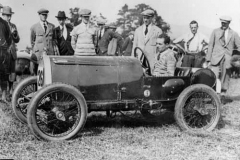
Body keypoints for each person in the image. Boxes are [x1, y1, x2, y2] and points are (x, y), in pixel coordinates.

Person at [207, 16, 240, 95]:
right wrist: (208, 59)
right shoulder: (215, 31)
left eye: (225, 23)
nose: (223, 24)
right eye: (222, 23)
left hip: (227, 59)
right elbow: (210, 45)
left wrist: (236, 58)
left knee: (225, 78)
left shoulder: (234, 34)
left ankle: (222, 95)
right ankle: (213, 95)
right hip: (215, 58)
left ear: (229, 23)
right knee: (213, 76)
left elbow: (239, 46)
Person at [30, 8, 55, 74]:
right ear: (39, 15)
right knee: (38, 72)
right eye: (42, 15)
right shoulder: (34, 27)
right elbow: (32, 41)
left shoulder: (52, 27)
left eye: (45, 15)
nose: (44, 16)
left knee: (49, 72)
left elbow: (54, 39)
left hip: (49, 54)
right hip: (39, 54)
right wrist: (36, 50)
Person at [2, 6, 20, 95]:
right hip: (3, 53)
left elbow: (17, 40)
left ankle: (11, 91)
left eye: (10, 15)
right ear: (3, 15)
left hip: (12, 53)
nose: (9, 17)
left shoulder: (13, 26)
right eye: (7, 15)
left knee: (12, 72)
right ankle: (3, 93)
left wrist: (15, 34)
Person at [0, 12, 12, 102]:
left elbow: (9, 38)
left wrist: (5, 47)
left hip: (2, 53)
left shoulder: (4, 23)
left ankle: (3, 96)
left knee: (4, 74)